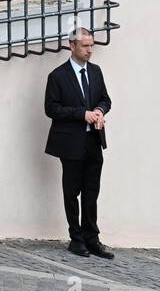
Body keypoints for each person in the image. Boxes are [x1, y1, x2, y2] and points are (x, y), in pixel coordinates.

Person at [44, 27, 115, 260]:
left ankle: (92, 238)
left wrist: (98, 110)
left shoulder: (96, 72)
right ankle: (76, 239)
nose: (90, 50)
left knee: (92, 192)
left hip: (93, 140)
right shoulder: (58, 76)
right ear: (71, 46)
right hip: (70, 143)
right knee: (72, 191)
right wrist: (81, 114)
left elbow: (106, 99)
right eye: (85, 46)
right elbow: (51, 109)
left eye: (91, 45)